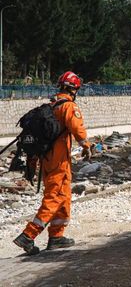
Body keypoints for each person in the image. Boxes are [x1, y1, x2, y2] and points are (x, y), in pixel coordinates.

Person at [13, 71, 93, 255]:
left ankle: (56, 236)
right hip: (59, 161)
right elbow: (77, 128)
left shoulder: (51, 106)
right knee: (55, 197)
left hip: (47, 160)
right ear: (74, 89)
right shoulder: (68, 107)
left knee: (63, 197)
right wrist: (86, 146)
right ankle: (28, 235)